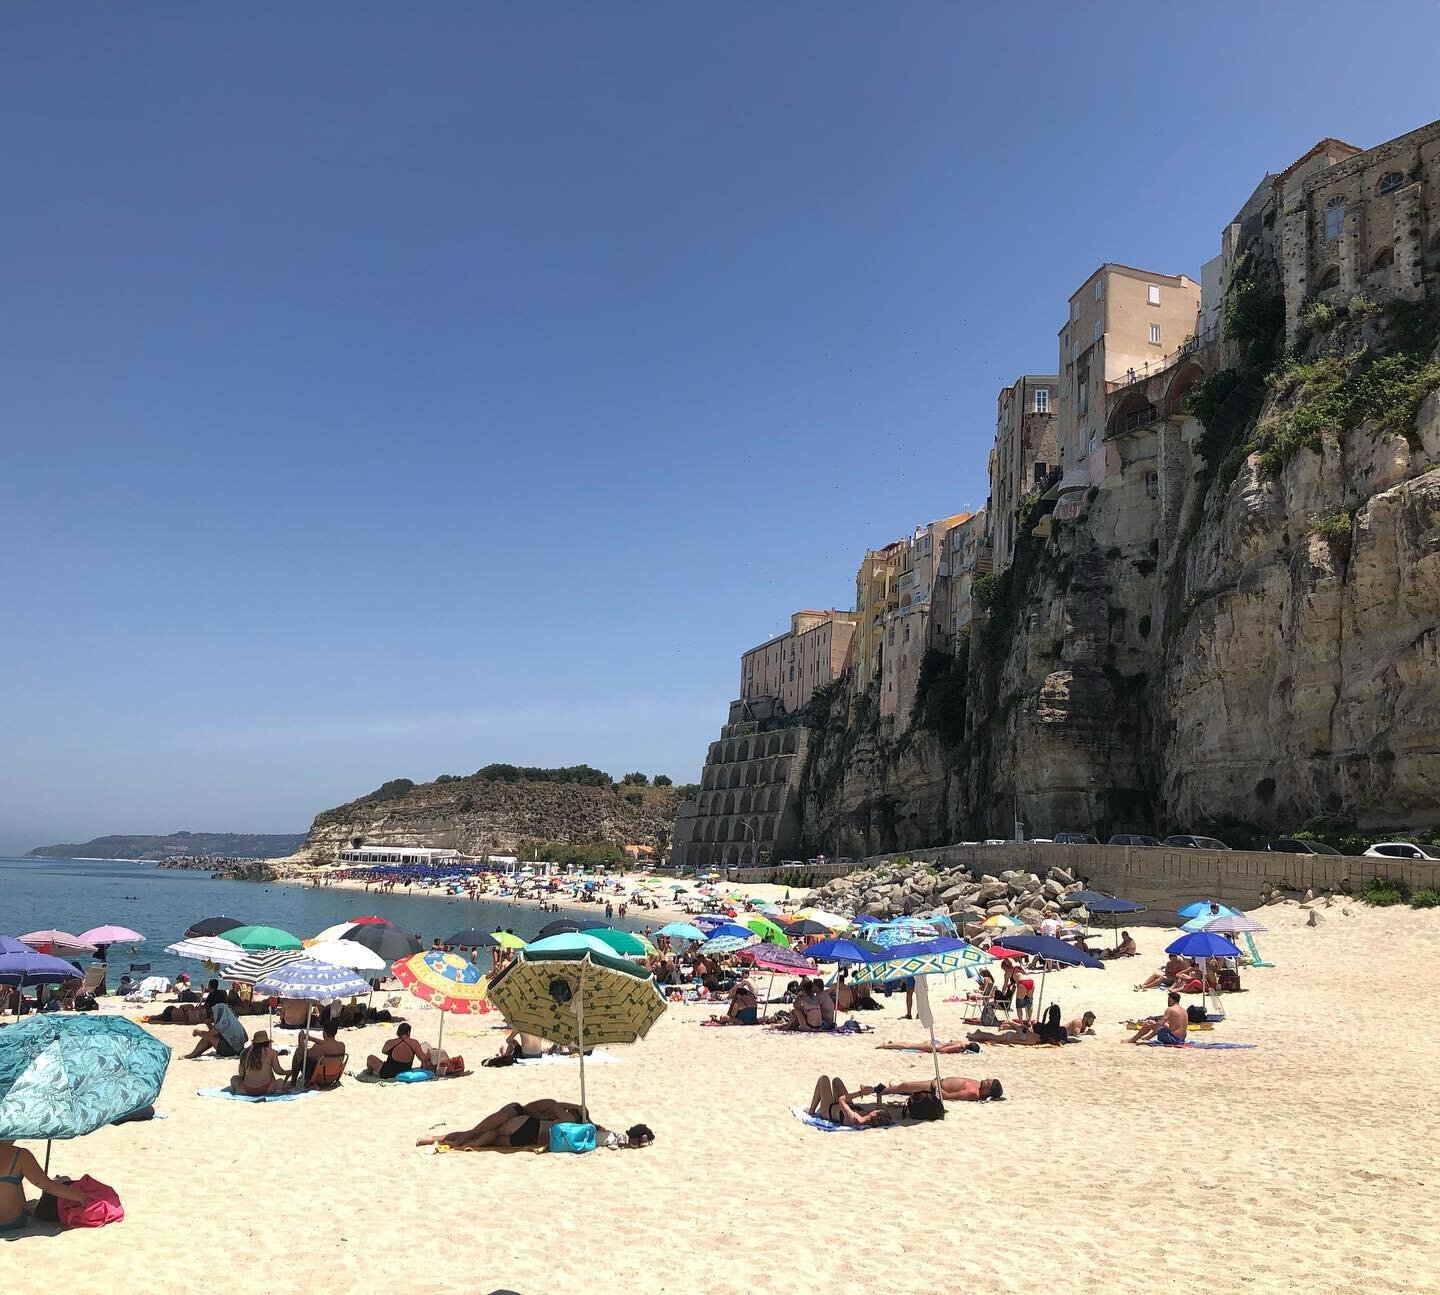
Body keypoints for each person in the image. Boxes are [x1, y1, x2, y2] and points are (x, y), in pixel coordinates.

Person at [417, 1100, 654, 1151]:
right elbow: (607, 1138)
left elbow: (557, 1105)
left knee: (486, 1127)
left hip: (522, 1123)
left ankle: (450, 1137)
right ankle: (458, 1142)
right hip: (523, 1138)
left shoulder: (554, 1109)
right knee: (491, 1136)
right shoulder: (569, 1124)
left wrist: (577, 1107)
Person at [0, 1139, 86, 1231]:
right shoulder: (20, 1154)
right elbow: (48, 1186)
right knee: (14, 1178)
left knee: (12, 1180)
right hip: (11, 1222)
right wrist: (82, 1198)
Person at [807, 1075, 891, 1128]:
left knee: (823, 1079)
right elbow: (879, 1109)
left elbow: (841, 1100)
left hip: (829, 1109)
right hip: (848, 1105)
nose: (877, 1109)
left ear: (874, 1114)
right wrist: (878, 1093)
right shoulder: (869, 1116)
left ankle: (811, 1110)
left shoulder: (854, 1119)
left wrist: (861, 1093)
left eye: (877, 1111)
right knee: (836, 1080)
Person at [230, 1031, 290, 1096]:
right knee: (280, 1081)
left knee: (234, 1079)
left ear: (254, 1042)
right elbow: (279, 1071)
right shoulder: (271, 1052)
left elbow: (241, 1074)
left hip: (246, 1089)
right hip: (268, 1089)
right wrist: (288, 1072)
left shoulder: (245, 1053)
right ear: (267, 1042)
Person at [858, 1077, 1003, 1102]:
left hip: (935, 1087)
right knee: (903, 1087)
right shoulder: (977, 1084)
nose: (986, 1079)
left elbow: (948, 1096)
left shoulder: (973, 1093)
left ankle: (872, 1090)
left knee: (905, 1086)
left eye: (988, 1082)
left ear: (987, 1090)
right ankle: (889, 1088)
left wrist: (935, 1086)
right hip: (937, 1081)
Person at [290, 1019, 345, 1086]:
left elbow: (302, 1053)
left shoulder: (318, 1048)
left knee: (298, 1051)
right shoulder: (342, 1045)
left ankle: (293, 1082)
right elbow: (328, 1044)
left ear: (324, 1032)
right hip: (333, 1077)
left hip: (319, 1079)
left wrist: (300, 1040)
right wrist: (311, 1038)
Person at [367, 1022, 431, 1077]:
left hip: (387, 1073)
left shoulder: (390, 1042)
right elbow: (423, 1058)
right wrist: (428, 1054)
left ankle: (369, 1072)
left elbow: (383, 1051)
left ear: (398, 1032)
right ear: (408, 1032)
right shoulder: (414, 1043)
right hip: (405, 1071)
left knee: (370, 1057)